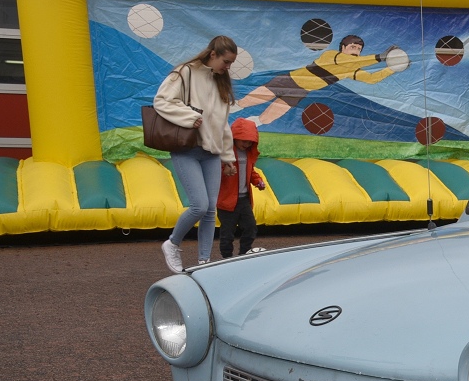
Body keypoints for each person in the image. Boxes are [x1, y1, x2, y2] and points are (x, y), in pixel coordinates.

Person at [156, 35, 239, 273]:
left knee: (211, 209)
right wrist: (190, 116)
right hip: (186, 148)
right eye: (226, 61)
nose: (228, 67)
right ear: (213, 54)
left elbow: (222, 124)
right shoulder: (186, 72)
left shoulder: (221, 81)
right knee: (199, 206)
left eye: (231, 63)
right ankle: (172, 243)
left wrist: (228, 158)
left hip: (211, 153)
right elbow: (162, 101)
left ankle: (204, 262)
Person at [234, 34, 400, 127]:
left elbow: (371, 79)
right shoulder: (332, 55)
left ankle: (242, 130)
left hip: (300, 92)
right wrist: (380, 57)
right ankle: (229, 109)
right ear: (343, 48)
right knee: (244, 103)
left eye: (359, 49)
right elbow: (351, 61)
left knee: (265, 120)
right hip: (288, 81)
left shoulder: (351, 69)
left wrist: (392, 68)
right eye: (353, 47)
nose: (356, 51)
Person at [217, 117, 267, 258]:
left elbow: (250, 172)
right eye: (244, 141)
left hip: (244, 199)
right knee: (227, 233)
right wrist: (224, 171)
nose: (247, 144)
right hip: (226, 200)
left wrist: (258, 181)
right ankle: (226, 257)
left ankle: (244, 254)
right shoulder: (226, 153)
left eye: (250, 142)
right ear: (234, 137)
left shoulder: (248, 153)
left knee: (250, 228)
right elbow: (215, 172)